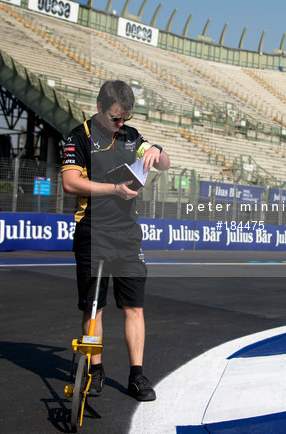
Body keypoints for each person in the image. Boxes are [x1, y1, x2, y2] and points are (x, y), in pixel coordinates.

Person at [61, 80, 171, 402]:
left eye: (125, 118)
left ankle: (137, 376)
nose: (120, 125)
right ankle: (95, 371)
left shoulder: (131, 136)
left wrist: (157, 151)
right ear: (99, 108)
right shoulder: (78, 136)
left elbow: (164, 165)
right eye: (115, 118)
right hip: (93, 231)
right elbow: (70, 182)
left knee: (134, 307)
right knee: (94, 307)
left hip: (127, 234)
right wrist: (113, 189)